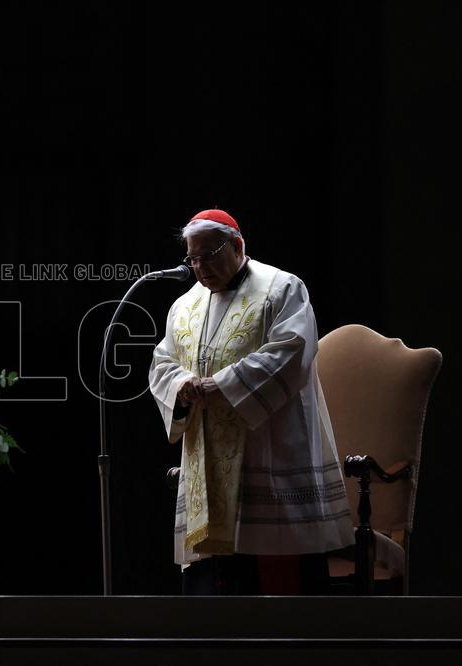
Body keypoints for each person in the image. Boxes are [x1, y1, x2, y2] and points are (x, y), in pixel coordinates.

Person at [148, 209, 353, 595]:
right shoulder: (185, 305)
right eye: (192, 258)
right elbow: (162, 363)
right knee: (214, 589)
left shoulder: (282, 288)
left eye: (209, 254)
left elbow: (291, 352)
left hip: (270, 447)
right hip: (207, 459)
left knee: (276, 587)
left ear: (237, 245)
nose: (200, 267)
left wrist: (221, 386)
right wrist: (184, 385)